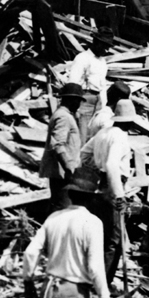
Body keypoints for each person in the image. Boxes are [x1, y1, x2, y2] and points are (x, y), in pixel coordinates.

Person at [77, 98, 135, 284]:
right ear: (130, 121)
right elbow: (112, 164)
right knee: (113, 240)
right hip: (112, 187)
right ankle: (103, 284)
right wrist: (119, 196)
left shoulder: (103, 133)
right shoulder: (120, 137)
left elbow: (83, 156)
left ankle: (89, 277)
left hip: (99, 187)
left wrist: (97, 169)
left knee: (98, 236)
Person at [40, 82, 85, 213]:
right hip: (62, 172)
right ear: (72, 99)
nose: (79, 104)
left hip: (61, 172)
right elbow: (58, 145)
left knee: (60, 206)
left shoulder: (63, 114)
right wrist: (69, 167)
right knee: (63, 208)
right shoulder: (63, 117)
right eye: (78, 101)